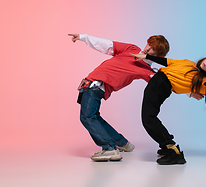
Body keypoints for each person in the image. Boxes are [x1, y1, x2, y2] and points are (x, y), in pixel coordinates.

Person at [69, 33, 170, 162]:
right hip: (90, 84)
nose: (147, 49)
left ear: (158, 56)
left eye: (153, 50)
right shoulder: (132, 49)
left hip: (96, 87)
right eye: (149, 45)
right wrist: (84, 37)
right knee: (94, 117)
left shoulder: (146, 70)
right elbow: (108, 45)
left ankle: (109, 149)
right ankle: (122, 143)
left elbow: (163, 82)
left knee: (87, 117)